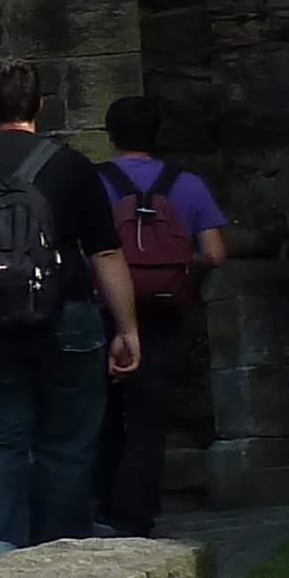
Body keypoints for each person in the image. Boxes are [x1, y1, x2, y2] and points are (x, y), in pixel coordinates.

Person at [0, 61, 142, 556]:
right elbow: (105, 252)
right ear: (41, 105)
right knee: (67, 443)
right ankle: (60, 553)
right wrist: (127, 327)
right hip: (69, 317)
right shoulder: (71, 166)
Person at [96, 95, 229, 530]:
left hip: (105, 311)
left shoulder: (94, 182)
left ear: (111, 135)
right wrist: (172, 266)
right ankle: (138, 513)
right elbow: (215, 252)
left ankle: (105, 506)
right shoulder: (187, 184)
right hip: (165, 311)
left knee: (105, 413)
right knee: (150, 419)